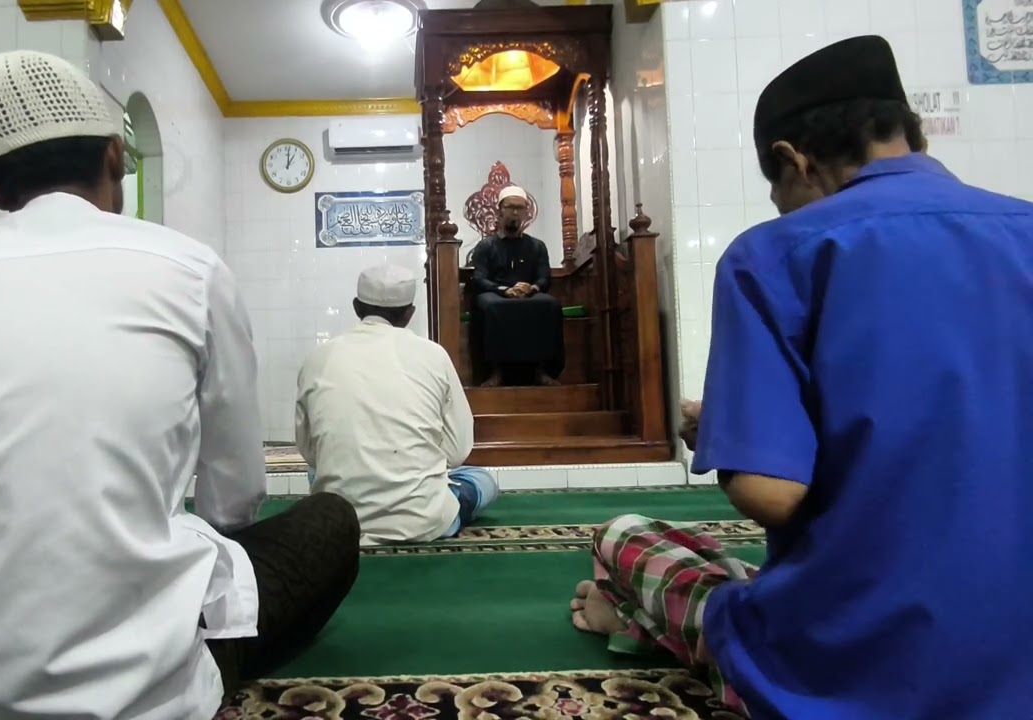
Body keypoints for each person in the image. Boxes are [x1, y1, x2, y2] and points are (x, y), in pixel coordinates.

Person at [0, 51, 359, 720]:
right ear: (117, 157)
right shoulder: (188, 268)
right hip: (127, 694)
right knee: (331, 520)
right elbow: (233, 500)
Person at [568, 35, 1033, 718]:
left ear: (794, 160)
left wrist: (729, 436)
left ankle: (644, 626)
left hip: (847, 665)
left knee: (628, 536)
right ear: (913, 132)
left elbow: (772, 494)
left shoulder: (776, 253)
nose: (782, 205)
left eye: (776, 188)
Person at [296, 264, 498, 545]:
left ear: (357, 307)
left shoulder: (318, 357)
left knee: (318, 471)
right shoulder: (433, 354)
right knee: (482, 479)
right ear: (409, 313)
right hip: (422, 519)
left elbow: (310, 452)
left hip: (339, 519)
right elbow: (458, 450)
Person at [470, 186, 564, 387]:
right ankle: (495, 371)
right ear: (500, 210)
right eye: (510, 207)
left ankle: (542, 370)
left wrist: (532, 288)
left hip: (529, 294)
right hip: (495, 294)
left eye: (519, 208)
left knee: (550, 305)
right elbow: (479, 278)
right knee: (491, 306)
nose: (515, 212)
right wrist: (504, 290)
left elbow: (545, 278)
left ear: (525, 212)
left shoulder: (537, 246)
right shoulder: (486, 246)